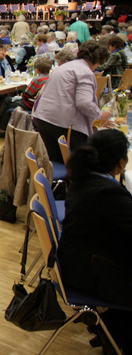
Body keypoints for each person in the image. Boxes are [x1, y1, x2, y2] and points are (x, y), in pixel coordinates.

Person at [57, 129, 132, 353]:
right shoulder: (106, 192)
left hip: (78, 261)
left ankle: (112, 331)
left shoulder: (85, 178)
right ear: (121, 162)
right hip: (89, 271)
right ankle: (117, 337)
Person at [33, 40, 111, 162]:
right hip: (62, 123)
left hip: (44, 118)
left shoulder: (64, 67)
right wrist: (100, 115)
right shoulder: (84, 72)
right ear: (98, 60)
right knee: (81, 162)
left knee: (55, 160)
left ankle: (60, 180)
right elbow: (84, 103)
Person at [0, 57, 52, 133]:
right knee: (7, 100)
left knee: (7, 103)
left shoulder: (37, 80)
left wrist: (21, 96)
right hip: (41, 103)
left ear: (37, 69)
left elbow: (27, 94)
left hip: (30, 103)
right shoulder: (51, 77)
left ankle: (0, 125)